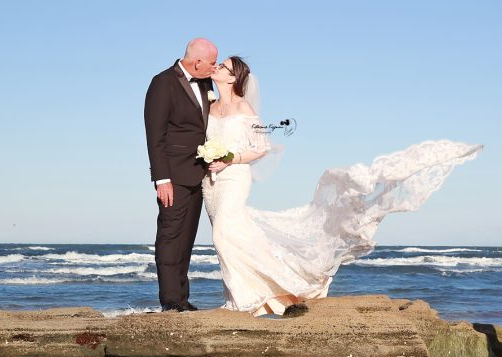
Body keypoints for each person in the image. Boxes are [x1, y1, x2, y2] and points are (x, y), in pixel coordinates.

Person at [203, 56, 483, 316]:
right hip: (209, 182)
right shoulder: (210, 105)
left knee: (223, 235)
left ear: (233, 78)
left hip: (234, 177)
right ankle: (253, 294)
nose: (216, 68)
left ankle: (244, 300)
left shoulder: (244, 108)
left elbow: (262, 146)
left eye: (223, 67)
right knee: (233, 235)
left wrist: (229, 159)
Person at [143, 38, 217, 312]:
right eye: (212, 62)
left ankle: (182, 299)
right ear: (197, 61)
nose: (215, 67)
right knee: (170, 236)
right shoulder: (162, 82)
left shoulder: (207, 83)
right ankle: (171, 302)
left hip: (199, 173)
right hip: (172, 177)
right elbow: (155, 135)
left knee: (186, 239)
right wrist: (161, 179)